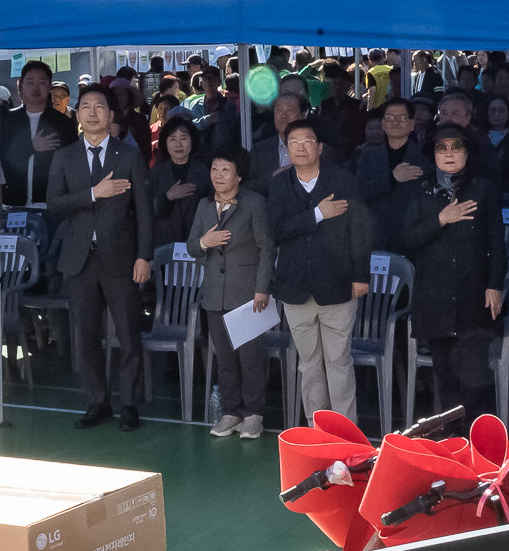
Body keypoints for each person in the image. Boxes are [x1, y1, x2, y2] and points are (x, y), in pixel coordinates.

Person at [46, 85, 152, 430]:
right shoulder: (64, 157)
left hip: (121, 258)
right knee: (86, 336)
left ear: (110, 115)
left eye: (100, 107)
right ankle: (97, 401)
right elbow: (54, 205)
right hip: (79, 260)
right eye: (86, 107)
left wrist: (144, 256)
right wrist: (94, 193)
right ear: (77, 115)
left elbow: (145, 213)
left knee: (128, 335)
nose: (92, 112)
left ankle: (130, 404)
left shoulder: (129, 155)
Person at [403, 124, 508, 433]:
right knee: (445, 375)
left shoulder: (483, 187)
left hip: (474, 295)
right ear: (432, 154)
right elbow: (406, 239)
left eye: (455, 147)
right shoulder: (419, 191)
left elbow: (496, 241)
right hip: (434, 297)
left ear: (467, 152)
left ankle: (482, 442)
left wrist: (496, 284)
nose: (448, 153)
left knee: (475, 373)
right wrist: (440, 219)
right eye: (441, 148)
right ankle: (454, 443)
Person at [267, 123, 372, 425]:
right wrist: (317, 214)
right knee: (309, 364)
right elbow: (276, 231)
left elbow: (360, 231)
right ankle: (317, 429)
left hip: (338, 284)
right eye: (293, 142)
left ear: (320, 147)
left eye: (307, 140)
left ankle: (345, 432)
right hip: (295, 288)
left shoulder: (343, 180)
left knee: (339, 362)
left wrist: (360, 276)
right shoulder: (279, 184)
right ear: (286, 149)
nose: (300, 147)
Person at [193, 152, 274, 439]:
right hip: (215, 293)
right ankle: (231, 412)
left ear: (239, 176)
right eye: (214, 168)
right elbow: (192, 246)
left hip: (248, 293)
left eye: (225, 169)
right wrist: (205, 241)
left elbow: (267, 247)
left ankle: (254, 415)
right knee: (225, 358)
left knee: (250, 358)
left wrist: (262, 287)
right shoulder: (204, 206)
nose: (218, 174)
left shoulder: (254, 203)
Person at [354, 97, 429, 252]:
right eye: (389, 118)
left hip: (410, 238)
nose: (395, 122)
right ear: (383, 124)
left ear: (411, 124)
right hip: (374, 236)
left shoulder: (423, 159)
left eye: (401, 118)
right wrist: (391, 178)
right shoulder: (368, 155)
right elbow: (358, 194)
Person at [0, 59, 76, 207]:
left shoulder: (63, 123)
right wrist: (31, 146)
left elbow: (71, 162)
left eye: (41, 82)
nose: (36, 88)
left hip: (50, 202)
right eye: (30, 82)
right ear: (21, 85)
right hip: (13, 202)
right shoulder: (8, 120)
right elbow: (2, 156)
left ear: (49, 87)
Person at [147, 116, 206, 249]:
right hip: (164, 245)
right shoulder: (154, 174)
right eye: (173, 139)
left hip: (197, 244)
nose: (178, 144)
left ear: (192, 141)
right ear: (165, 142)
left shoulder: (204, 172)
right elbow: (146, 211)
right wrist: (167, 197)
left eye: (183, 138)